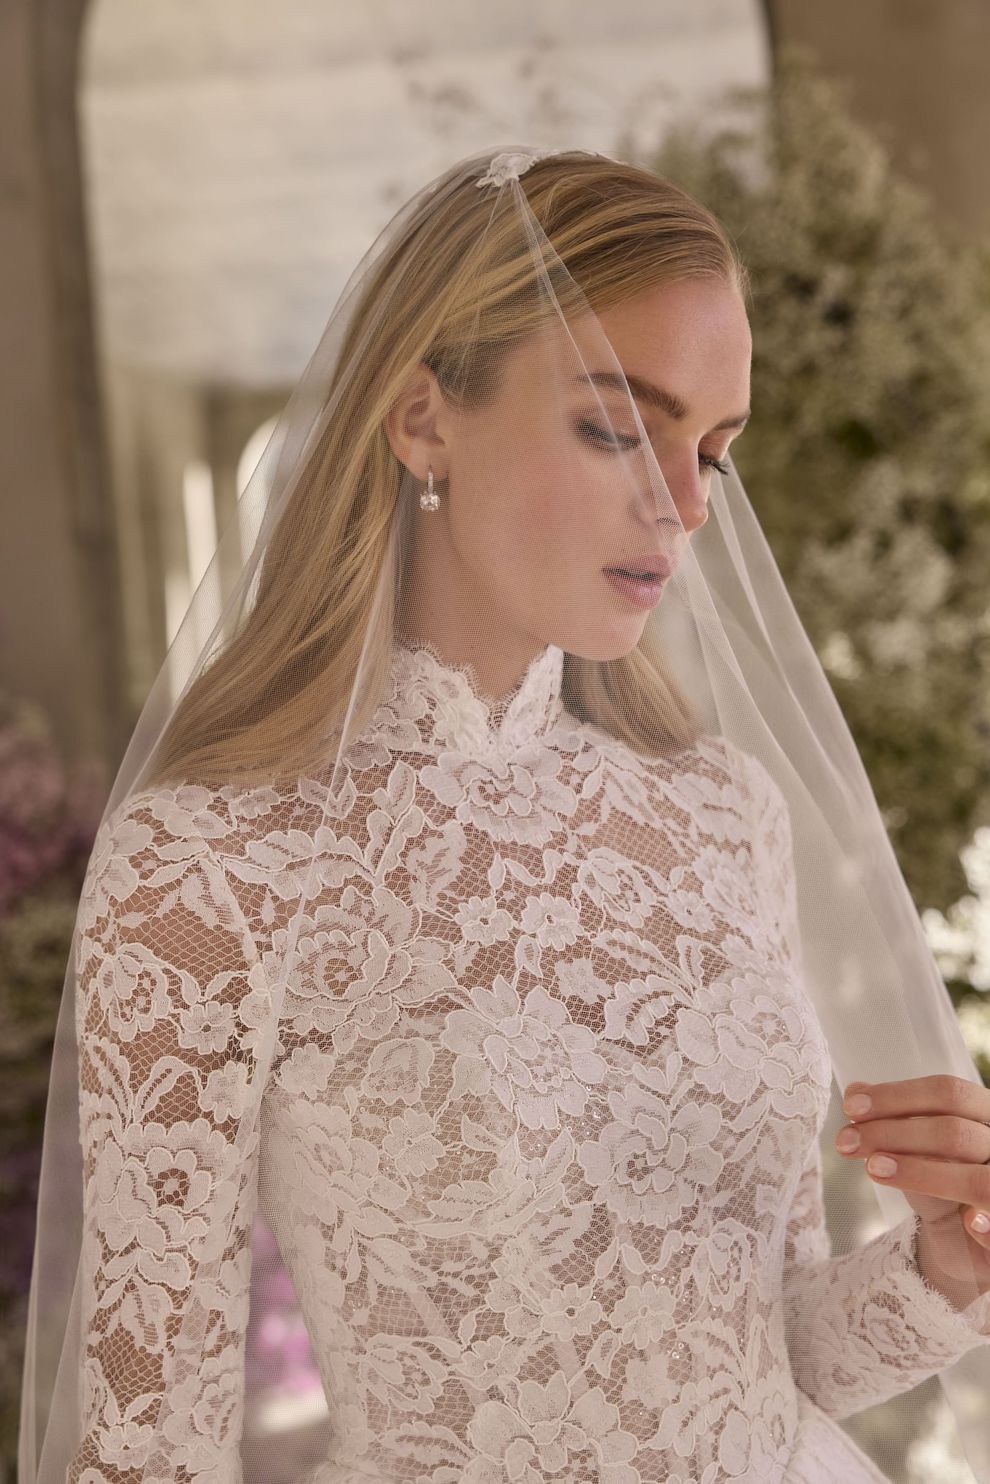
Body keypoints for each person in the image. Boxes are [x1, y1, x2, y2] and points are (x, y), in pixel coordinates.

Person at [19, 146, 990, 1484]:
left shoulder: (723, 814)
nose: (685, 505)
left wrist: (942, 1267)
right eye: (617, 428)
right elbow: (148, 1449)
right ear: (423, 419)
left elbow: (767, 1356)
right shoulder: (211, 866)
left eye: (713, 452)